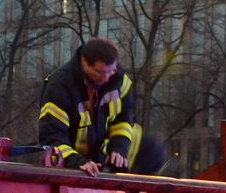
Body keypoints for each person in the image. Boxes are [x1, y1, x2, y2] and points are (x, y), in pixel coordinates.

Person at [38, 37, 164, 176]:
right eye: (100, 72)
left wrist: (119, 147)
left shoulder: (119, 80)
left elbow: (124, 119)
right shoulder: (60, 86)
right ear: (84, 62)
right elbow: (52, 135)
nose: (106, 79)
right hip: (73, 160)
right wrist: (77, 162)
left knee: (151, 148)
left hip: (103, 154)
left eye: (111, 71)